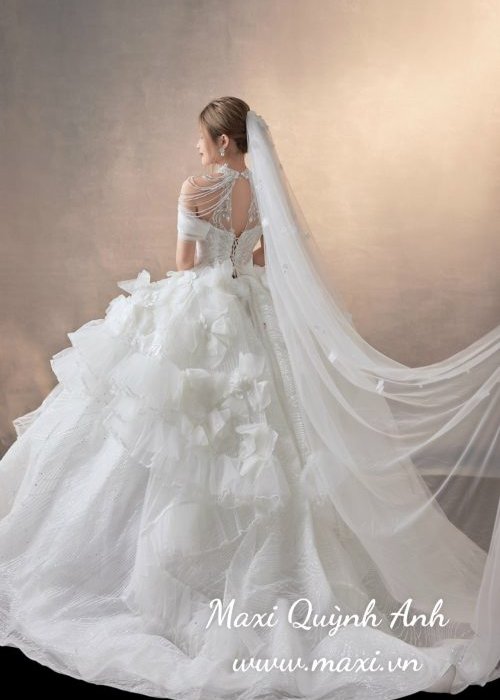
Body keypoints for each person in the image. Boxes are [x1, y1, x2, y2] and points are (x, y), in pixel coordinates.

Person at [0, 95, 499, 700]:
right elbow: (259, 259)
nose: (196, 148)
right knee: (272, 432)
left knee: (176, 428)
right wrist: (239, 273)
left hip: (204, 306)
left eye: (202, 138)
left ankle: (145, 569)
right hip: (253, 308)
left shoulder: (196, 187)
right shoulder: (262, 190)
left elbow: (186, 263)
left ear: (224, 141)